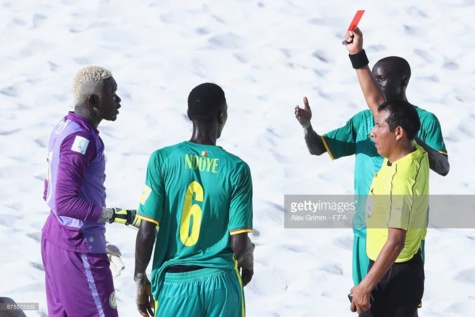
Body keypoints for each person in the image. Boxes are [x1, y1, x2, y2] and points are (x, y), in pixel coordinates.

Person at [294, 29, 449, 288]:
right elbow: (318, 148)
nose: (376, 86)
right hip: (365, 232)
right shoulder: (364, 120)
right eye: (374, 80)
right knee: (364, 302)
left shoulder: (426, 121)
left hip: (404, 236)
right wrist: (307, 127)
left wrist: (408, 133)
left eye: (381, 79)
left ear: (403, 81)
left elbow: (443, 167)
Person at [134, 83, 255, 317]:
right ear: (222, 116)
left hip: (175, 286)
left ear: (190, 115)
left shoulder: (162, 160)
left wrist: (140, 278)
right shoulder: (237, 168)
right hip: (221, 285)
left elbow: (147, 230)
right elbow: (239, 244)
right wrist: (248, 258)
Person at [41, 66, 138, 317]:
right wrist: (121, 216)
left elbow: (49, 192)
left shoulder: (64, 127)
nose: (118, 100)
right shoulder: (80, 140)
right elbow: (65, 202)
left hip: (56, 238)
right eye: (113, 93)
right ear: (94, 101)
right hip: (79, 248)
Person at [350, 100, 428, 316]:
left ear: (398, 132)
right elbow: (376, 100)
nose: (372, 133)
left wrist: (365, 286)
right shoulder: (413, 151)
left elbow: (395, 242)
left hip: (393, 275)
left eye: (378, 126)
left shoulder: (401, 182)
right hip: (395, 268)